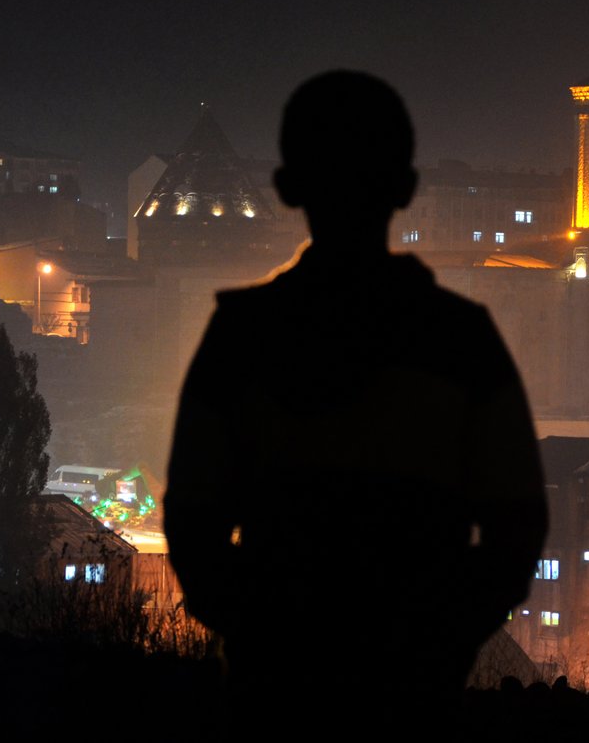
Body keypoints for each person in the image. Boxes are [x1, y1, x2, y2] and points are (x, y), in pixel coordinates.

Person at [164, 71, 547, 731]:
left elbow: (193, 521)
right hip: (414, 698)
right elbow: (517, 526)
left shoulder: (244, 337)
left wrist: (258, 632)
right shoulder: (460, 341)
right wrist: (441, 639)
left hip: (274, 695)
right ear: (404, 189)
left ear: (286, 189)